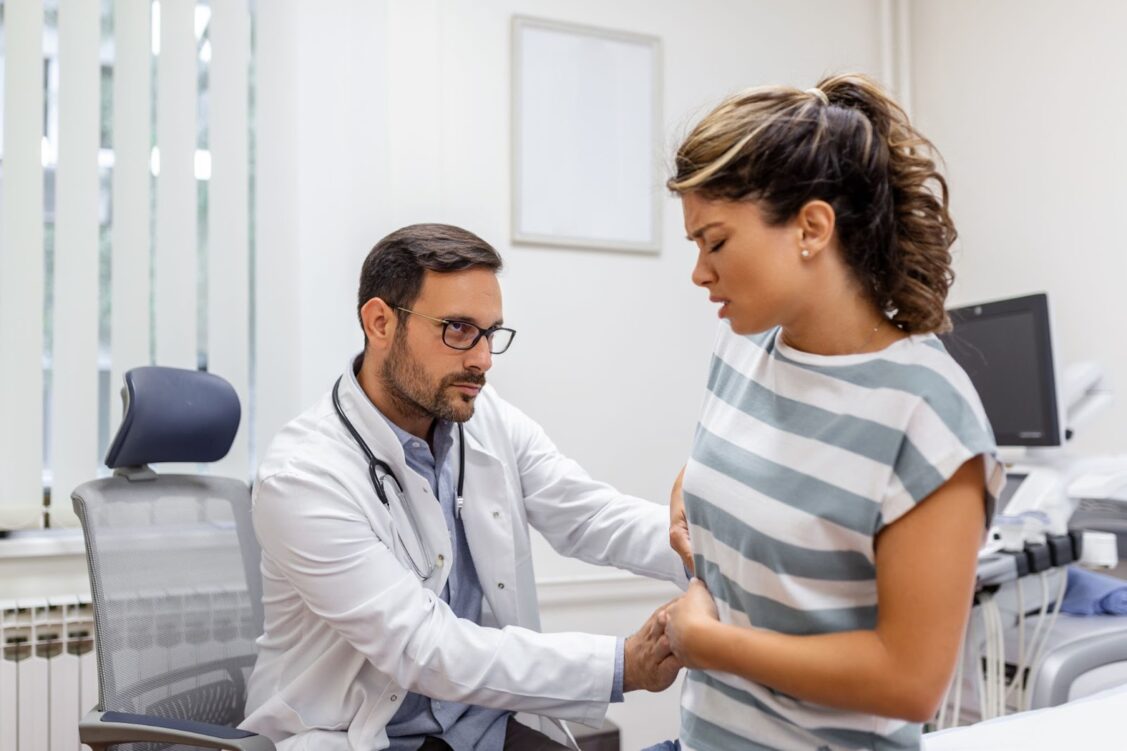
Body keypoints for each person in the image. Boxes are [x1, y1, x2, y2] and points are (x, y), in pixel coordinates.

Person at [655, 74, 1006, 750]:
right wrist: (690, 492)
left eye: (716, 241)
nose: (699, 272)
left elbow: (908, 679)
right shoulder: (743, 353)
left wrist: (710, 642)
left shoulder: (926, 414)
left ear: (811, 228)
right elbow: (771, 469)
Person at [241, 224, 687, 751]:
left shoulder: (485, 420)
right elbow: (425, 648)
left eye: (490, 333)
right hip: (363, 737)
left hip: (484, 728)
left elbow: (589, 516)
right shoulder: (303, 476)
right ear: (380, 322)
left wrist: (711, 550)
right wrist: (623, 664)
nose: (482, 359)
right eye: (457, 329)